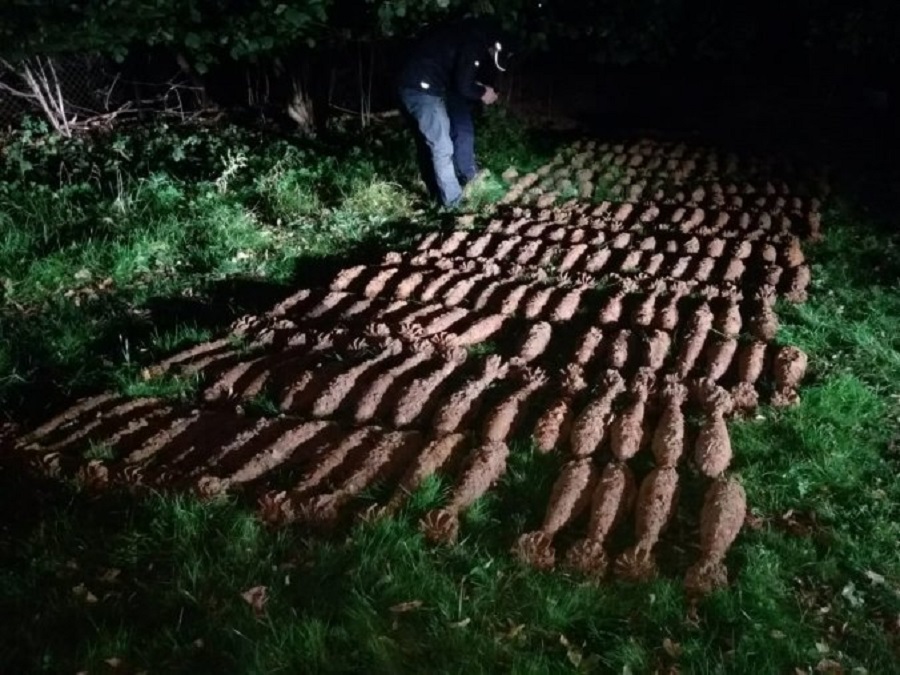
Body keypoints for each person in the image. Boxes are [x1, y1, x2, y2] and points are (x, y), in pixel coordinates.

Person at [397, 17, 512, 207]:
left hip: (425, 86)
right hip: (421, 90)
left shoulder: (467, 35)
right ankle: (454, 205)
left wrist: (477, 87)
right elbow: (464, 86)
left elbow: (459, 77)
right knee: (442, 148)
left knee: (445, 140)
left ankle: (457, 183)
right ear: (495, 46)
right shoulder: (474, 44)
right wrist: (483, 92)